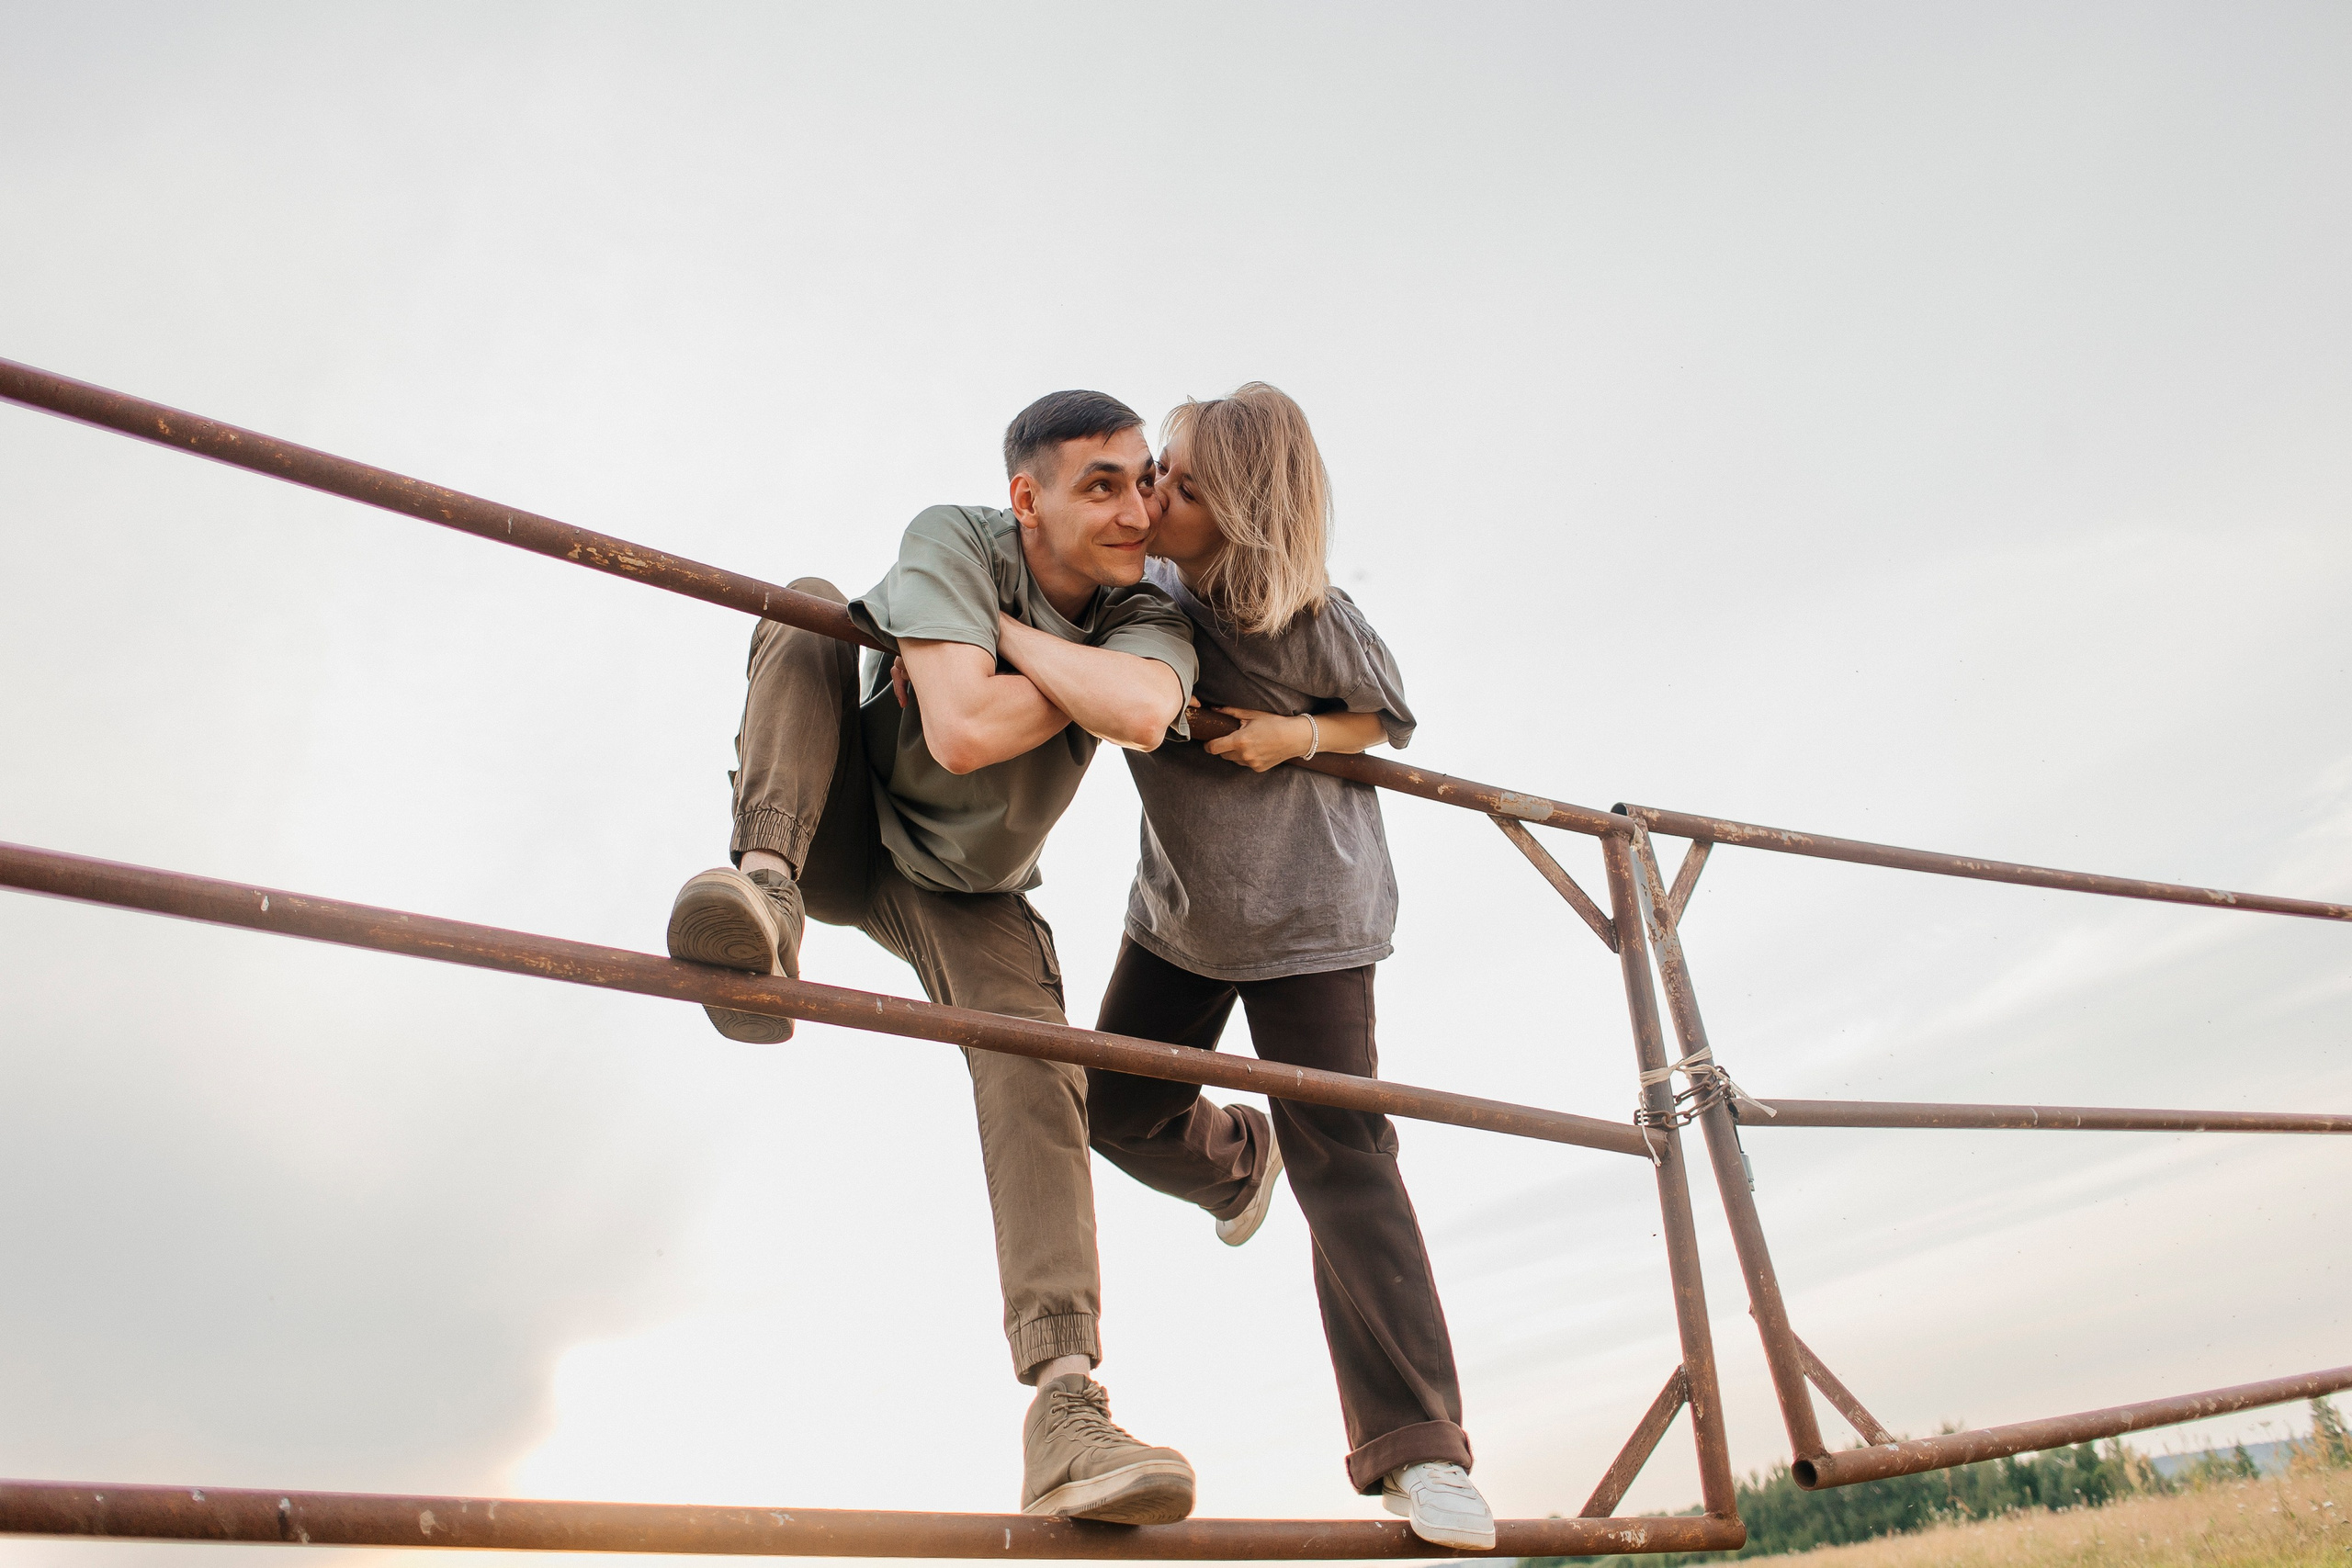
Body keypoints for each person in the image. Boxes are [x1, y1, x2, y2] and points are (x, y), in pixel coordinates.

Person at [665, 390, 1203, 1525]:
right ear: (1028, 499)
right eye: (1100, 484)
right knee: (808, 606)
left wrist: (1004, 642)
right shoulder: (951, 536)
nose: (1133, 509)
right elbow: (958, 733)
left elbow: (1145, 711)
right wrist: (1071, 689)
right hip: (844, 819)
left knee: (1037, 1068)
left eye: (1142, 478)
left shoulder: (1149, 607)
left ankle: (1065, 1412)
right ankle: (763, 899)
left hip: (971, 889)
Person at [1085, 384, 1497, 1550]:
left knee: (1349, 1160)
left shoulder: (1312, 617)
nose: (1153, 494)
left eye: (1180, 484)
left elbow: (1387, 719)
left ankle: (1419, 1454)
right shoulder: (1138, 593)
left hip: (1311, 918)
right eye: (1155, 470)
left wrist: (1297, 736)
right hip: (1184, 908)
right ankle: (1234, 1162)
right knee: (1112, 1107)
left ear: (1246, 515)